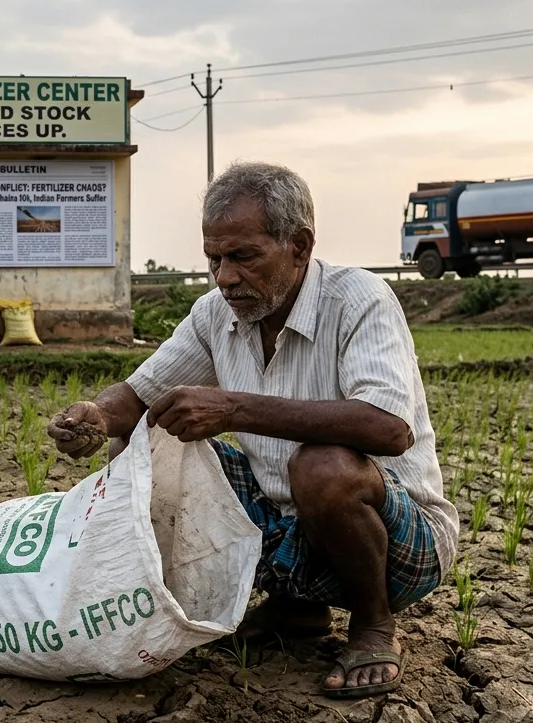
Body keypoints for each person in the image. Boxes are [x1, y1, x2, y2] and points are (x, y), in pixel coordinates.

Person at [45, 161, 457, 699]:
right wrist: (96, 415)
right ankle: (296, 608)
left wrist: (235, 408)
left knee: (322, 467)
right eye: (214, 258)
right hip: (290, 529)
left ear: (300, 246)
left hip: (399, 543)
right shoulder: (216, 313)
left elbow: (390, 428)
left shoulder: (360, 300)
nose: (224, 276)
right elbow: (140, 396)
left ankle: (373, 625)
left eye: (242, 257)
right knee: (142, 440)